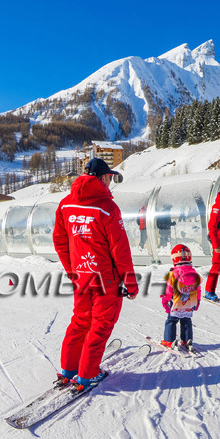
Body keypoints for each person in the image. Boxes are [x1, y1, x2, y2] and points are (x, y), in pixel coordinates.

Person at [53, 157, 139, 392]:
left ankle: (69, 369)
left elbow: (60, 241)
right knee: (100, 325)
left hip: (82, 276)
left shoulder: (65, 204)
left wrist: (72, 269)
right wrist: (130, 283)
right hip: (105, 279)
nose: (110, 182)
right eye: (109, 178)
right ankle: (88, 375)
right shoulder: (107, 207)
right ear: (102, 178)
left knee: (80, 321)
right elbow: (120, 249)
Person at [160, 244, 201, 353]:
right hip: (189, 304)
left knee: (171, 321)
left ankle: (169, 340)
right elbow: (198, 288)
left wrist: (165, 300)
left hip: (176, 303)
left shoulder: (173, 274)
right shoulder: (194, 273)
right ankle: (186, 340)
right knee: (186, 321)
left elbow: (168, 290)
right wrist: (197, 301)